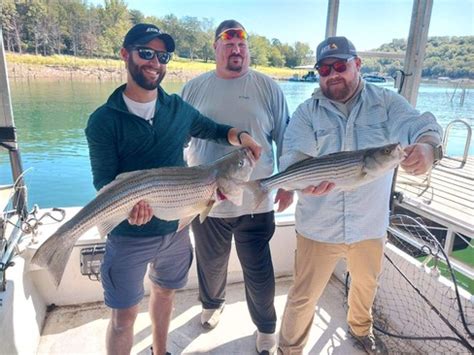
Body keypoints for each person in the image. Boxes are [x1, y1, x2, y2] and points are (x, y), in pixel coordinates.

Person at [85, 23, 262, 355]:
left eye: (162, 55)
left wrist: (241, 137)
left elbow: (213, 129)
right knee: (124, 318)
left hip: (176, 229)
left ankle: (159, 351)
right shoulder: (103, 120)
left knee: (165, 294)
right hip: (128, 235)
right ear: (125, 54)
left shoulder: (177, 109)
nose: (155, 62)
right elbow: (104, 183)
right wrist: (128, 211)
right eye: (146, 53)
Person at [277, 36, 443, 355]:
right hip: (317, 226)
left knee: (366, 288)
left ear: (358, 64)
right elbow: (292, 158)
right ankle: (289, 349)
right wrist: (297, 183)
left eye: (340, 65)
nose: (333, 73)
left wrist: (426, 148)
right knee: (303, 296)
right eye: (324, 69)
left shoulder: (387, 102)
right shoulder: (306, 113)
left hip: (369, 225)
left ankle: (359, 330)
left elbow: (420, 124)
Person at [181, 19, 293, 355]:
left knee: (258, 270)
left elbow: (286, 139)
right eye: (228, 43)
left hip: (256, 201)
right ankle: (212, 304)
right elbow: (179, 138)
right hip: (207, 199)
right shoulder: (194, 88)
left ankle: (266, 327)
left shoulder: (268, 87)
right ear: (215, 48)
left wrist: (288, 184)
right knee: (210, 263)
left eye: (242, 43)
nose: (236, 49)